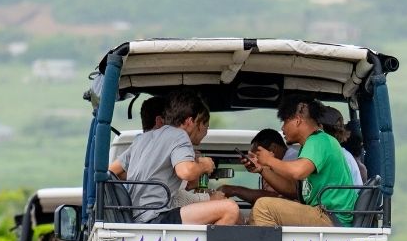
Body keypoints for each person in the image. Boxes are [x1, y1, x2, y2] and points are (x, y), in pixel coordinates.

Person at [107, 91, 226, 224]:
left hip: (135, 216)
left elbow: (111, 171)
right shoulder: (180, 135)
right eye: (205, 125)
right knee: (230, 208)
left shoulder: (141, 139)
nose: (206, 131)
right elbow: (186, 172)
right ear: (190, 121)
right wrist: (205, 165)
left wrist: (142, 174)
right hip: (156, 216)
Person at [246, 94, 358, 227]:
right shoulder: (311, 145)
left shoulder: (319, 140)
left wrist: (269, 160)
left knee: (263, 207)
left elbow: (298, 171)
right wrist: (262, 169)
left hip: (331, 217)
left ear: (297, 120)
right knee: (263, 205)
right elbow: (293, 190)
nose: (282, 128)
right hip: (324, 214)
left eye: (285, 121)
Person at [216, 128, 297, 204]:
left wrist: (235, 190)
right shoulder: (272, 166)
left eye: (258, 155)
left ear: (273, 148)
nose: (256, 160)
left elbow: (277, 197)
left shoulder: (293, 160)